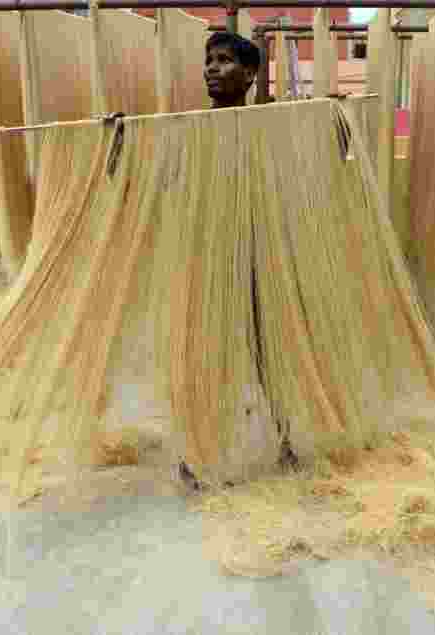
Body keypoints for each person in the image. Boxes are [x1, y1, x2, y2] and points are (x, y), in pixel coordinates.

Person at [178, 32, 300, 492]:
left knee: (270, 348)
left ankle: (287, 441)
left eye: (224, 60)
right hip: (207, 255)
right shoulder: (187, 128)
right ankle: (199, 449)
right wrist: (121, 136)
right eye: (208, 60)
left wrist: (336, 117)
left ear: (250, 74)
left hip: (258, 254)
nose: (211, 67)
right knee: (208, 350)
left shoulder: (269, 127)